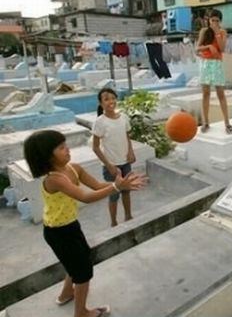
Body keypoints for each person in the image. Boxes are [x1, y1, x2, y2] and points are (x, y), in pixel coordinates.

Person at [23, 130, 146, 317]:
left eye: (66, 145)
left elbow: (96, 186)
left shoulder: (74, 168)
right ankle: (81, 313)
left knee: (79, 261)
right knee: (83, 272)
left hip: (70, 225)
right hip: (57, 232)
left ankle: (66, 294)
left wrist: (121, 183)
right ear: (47, 155)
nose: (67, 149)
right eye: (61, 147)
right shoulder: (54, 179)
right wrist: (115, 187)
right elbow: (86, 197)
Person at [92, 88, 136, 227]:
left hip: (125, 163)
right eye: (106, 99)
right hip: (112, 167)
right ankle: (113, 222)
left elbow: (127, 136)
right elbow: (96, 147)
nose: (110, 101)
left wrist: (130, 152)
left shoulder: (123, 118)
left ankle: (128, 216)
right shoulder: (100, 122)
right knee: (113, 195)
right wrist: (109, 165)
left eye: (112, 98)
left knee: (126, 192)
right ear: (101, 103)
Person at [196, 9, 232, 134]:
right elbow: (197, 49)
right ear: (209, 20)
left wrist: (217, 33)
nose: (215, 23)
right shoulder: (204, 31)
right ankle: (206, 122)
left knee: (220, 94)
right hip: (206, 64)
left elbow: (222, 48)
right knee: (205, 94)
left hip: (217, 64)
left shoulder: (222, 32)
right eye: (213, 20)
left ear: (220, 21)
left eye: (217, 20)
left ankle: (227, 123)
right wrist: (209, 46)